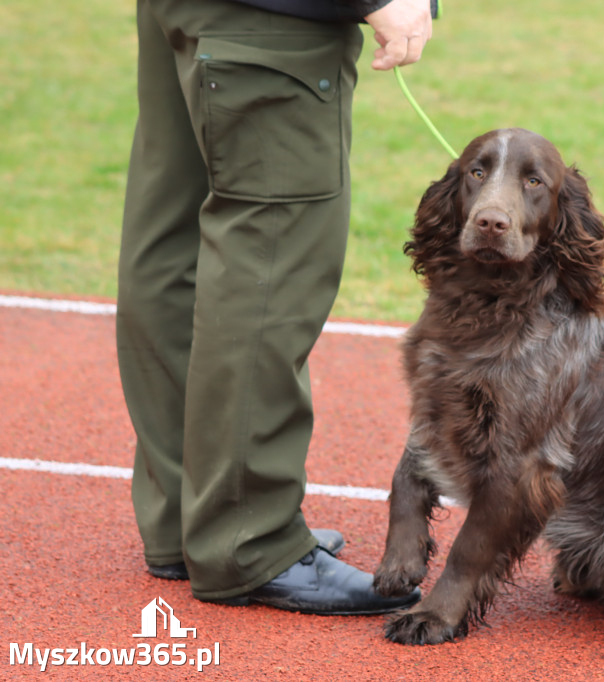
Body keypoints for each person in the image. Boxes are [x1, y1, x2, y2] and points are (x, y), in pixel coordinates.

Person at [116, 0, 432, 614]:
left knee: (171, 243)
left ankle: (190, 519)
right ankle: (246, 540)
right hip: (268, 23)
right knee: (272, 259)